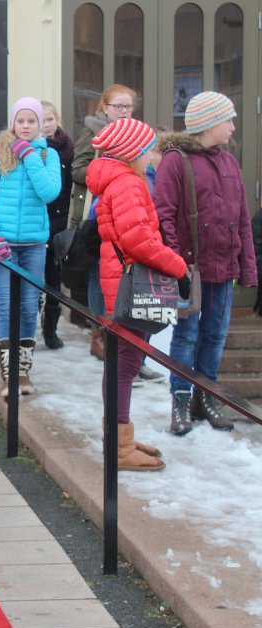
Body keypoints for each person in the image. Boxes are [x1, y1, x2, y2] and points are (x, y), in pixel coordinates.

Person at [154, 91, 258, 435]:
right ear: (209, 123)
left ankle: (207, 397)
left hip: (223, 269)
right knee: (186, 335)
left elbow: (242, 218)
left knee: (215, 334)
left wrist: (247, 267)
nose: (232, 127)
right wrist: (175, 264)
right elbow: (163, 215)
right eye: (228, 120)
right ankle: (181, 401)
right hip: (190, 270)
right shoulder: (175, 160)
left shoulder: (229, 161)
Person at [87, 118, 188, 471]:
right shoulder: (128, 183)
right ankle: (119, 447)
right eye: (148, 149)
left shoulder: (118, 180)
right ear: (132, 152)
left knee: (123, 363)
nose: (152, 155)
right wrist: (179, 268)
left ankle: (119, 437)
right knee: (125, 364)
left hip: (120, 280)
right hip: (129, 284)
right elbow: (138, 241)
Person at [0, 97, 62, 398]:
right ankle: (10, 376)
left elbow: (50, 192)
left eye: (31, 121)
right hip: (4, 245)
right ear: (13, 123)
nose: (25, 126)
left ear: (40, 123)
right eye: (20, 121)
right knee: (7, 306)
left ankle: (23, 372)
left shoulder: (48, 155)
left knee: (28, 306)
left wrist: (29, 156)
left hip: (34, 245)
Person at [69, 85, 137, 357]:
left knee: (121, 275)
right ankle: (99, 334)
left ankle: (120, 334)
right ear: (104, 108)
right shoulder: (93, 132)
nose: (124, 111)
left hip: (125, 211)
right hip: (97, 213)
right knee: (99, 275)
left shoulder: (134, 134)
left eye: (128, 106)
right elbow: (77, 170)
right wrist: (108, 170)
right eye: (118, 106)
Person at [40, 100, 74, 350]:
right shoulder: (32, 149)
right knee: (32, 276)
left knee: (55, 276)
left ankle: (50, 329)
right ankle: (27, 326)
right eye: (42, 120)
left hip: (62, 219)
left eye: (50, 119)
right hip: (38, 217)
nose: (47, 125)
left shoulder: (68, 147)